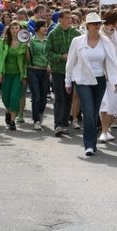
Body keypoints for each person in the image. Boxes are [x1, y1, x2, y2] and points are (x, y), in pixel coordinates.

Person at [65, 12, 117, 156]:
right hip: (82, 80)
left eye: (99, 23)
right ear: (88, 26)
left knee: (94, 113)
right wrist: (68, 81)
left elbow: (112, 62)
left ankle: (92, 142)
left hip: (99, 80)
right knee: (88, 112)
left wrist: (115, 81)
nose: (97, 26)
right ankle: (88, 144)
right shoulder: (77, 41)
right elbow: (70, 63)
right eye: (94, 24)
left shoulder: (106, 41)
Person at [46, 9, 81, 137]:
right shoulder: (53, 34)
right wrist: (61, 57)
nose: (69, 20)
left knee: (68, 99)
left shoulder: (76, 33)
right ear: (60, 19)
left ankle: (65, 123)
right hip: (58, 71)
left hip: (72, 72)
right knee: (59, 98)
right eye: (66, 18)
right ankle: (58, 124)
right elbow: (48, 53)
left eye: (70, 18)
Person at [98, 10, 117, 143]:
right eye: (114, 23)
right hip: (102, 73)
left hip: (114, 75)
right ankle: (103, 131)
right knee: (103, 104)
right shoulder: (100, 34)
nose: (116, 26)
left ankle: (107, 129)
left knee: (112, 105)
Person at [0, 21, 28, 130]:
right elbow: (0, 58)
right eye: (13, 28)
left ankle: (12, 120)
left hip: (18, 74)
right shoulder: (4, 42)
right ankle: (8, 111)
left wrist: (24, 76)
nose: (15, 30)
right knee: (6, 97)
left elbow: (27, 61)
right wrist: (0, 72)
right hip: (6, 73)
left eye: (17, 28)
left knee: (15, 97)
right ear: (9, 30)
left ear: (20, 30)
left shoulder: (24, 43)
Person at [27, 20, 50, 130]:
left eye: (46, 26)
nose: (45, 28)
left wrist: (50, 64)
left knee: (44, 97)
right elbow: (27, 57)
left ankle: (40, 114)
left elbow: (50, 54)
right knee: (36, 96)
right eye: (43, 27)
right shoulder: (31, 41)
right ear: (37, 28)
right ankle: (36, 120)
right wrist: (26, 48)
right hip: (33, 70)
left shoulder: (48, 41)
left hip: (45, 71)